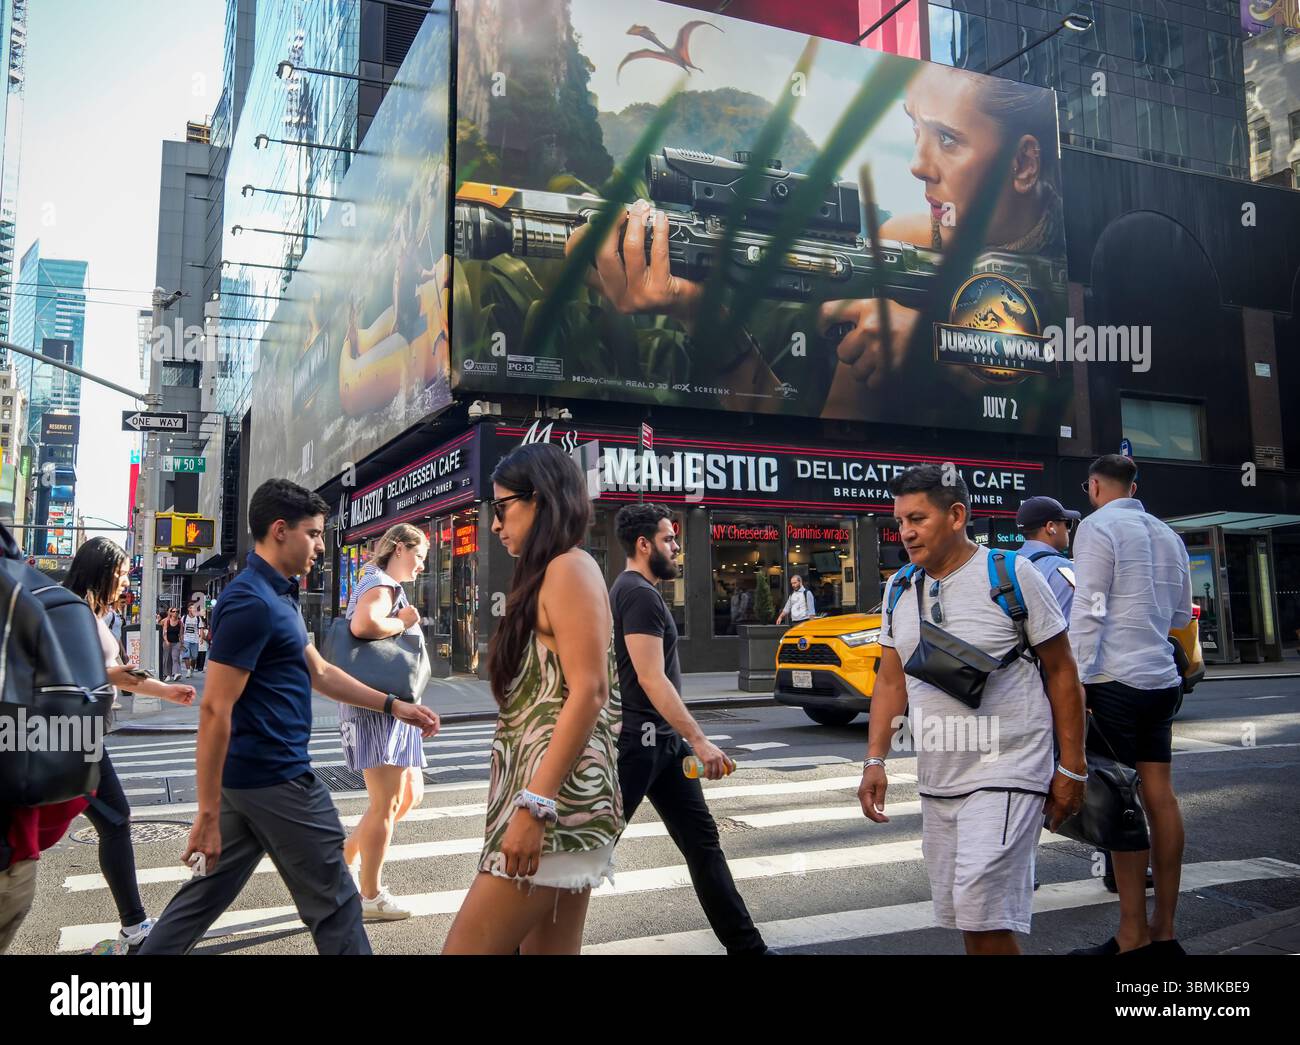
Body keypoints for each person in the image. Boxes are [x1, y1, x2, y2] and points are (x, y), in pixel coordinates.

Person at [138, 479, 439, 955]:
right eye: (314, 533)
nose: (321, 545)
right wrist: (207, 812)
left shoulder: (279, 596)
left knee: (203, 898)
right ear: (280, 530)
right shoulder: (249, 602)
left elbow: (319, 672)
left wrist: (393, 704)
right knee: (339, 903)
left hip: (250, 783)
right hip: (276, 778)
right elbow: (216, 708)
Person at [858, 465, 1087, 954]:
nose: (906, 532)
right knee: (968, 917)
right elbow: (890, 679)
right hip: (939, 777)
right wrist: (875, 759)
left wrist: (1072, 767)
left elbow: (1063, 671)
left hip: (1009, 769)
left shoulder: (1011, 573)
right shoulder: (898, 586)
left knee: (984, 916)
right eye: (900, 521)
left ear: (957, 514)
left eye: (917, 518)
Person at [442, 443, 623, 955]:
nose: (495, 525)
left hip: (556, 806)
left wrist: (534, 807)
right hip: (553, 802)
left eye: (502, 508)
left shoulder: (569, 567)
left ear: (540, 500)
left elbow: (589, 691)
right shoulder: (551, 572)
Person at [611, 503, 771, 955]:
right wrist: (700, 741)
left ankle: (749, 949)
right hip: (638, 745)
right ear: (644, 545)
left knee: (703, 844)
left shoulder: (635, 590)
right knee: (588, 852)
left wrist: (684, 741)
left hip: (662, 744)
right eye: (668, 539)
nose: (676, 547)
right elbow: (649, 676)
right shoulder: (638, 593)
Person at [1068, 454, 1193, 957]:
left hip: (1114, 679)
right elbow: (1182, 612)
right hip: (1162, 678)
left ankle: (1131, 937)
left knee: (1122, 802)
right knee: (1160, 795)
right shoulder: (1168, 534)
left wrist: (1074, 679)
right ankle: (1164, 933)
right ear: (1134, 486)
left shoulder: (1097, 528)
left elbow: (1090, 606)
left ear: (1095, 485)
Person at [63, 537, 197, 953]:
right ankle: (135, 926)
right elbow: (112, 673)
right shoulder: (76, 613)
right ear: (100, 573)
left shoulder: (83, 612)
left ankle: (134, 925)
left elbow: (114, 671)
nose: (125, 583)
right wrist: (165, 692)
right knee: (115, 819)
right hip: (70, 733)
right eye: (120, 575)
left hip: (72, 731)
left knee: (106, 821)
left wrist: (163, 691)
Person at [339, 522, 430, 921]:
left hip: (390, 707)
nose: (422, 565)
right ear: (397, 548)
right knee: (387, 802)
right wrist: (405, 623)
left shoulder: (377, 581)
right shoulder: (381, 584)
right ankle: (370, 896)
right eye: (419, 556)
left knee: (407, 794)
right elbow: (364, 626)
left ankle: (341, 862)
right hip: (380, 707)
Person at [181, 601, 203, 678]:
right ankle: (188, 671)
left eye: (194, 607)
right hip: (186, 638)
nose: (193, 609)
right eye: (191, 608)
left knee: (194, 657)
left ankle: (192, 668)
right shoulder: (184, 618)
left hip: (195, 639)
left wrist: (201, 638)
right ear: (188, 609)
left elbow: (201, 628)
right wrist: (181, 638)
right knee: (186, 655)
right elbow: (181, 628)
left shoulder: (197, 618)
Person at [161, 607, 183, 681]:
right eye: (173, 611)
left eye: (177, 611)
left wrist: (181, 643)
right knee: (167, 659)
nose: (175, 613)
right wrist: (166, 641)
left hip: (176, 642)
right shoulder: (166, 621)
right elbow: (164, 633)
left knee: (175, 658)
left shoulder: (180, 622)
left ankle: (176, 673)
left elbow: (181, 634)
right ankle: (168, 675)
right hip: (167, 642)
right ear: (170, 612)